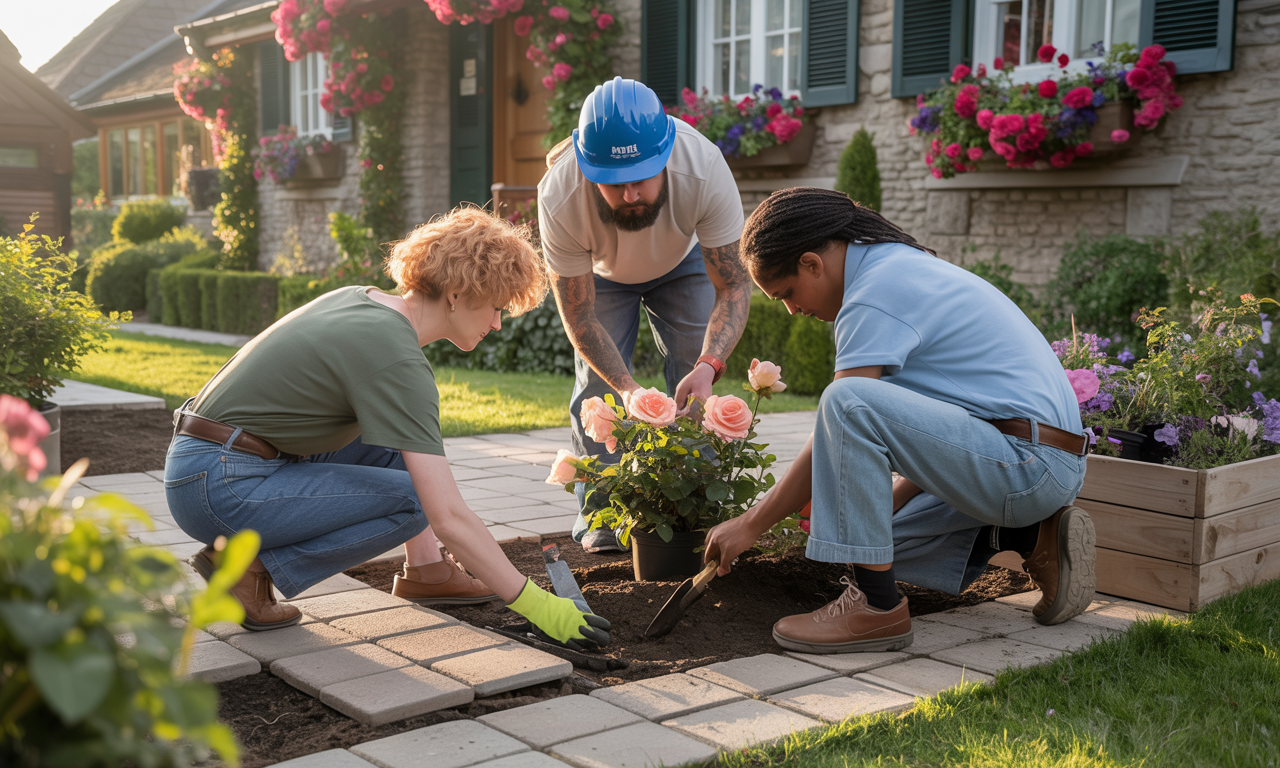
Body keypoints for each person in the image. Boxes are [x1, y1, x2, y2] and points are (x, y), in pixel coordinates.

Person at [163, 206, 611, 651]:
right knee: (416, 499)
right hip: (220, 487)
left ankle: (428, 571)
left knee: (401, 451)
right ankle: (247, 567)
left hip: (206, 463)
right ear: (455, 293)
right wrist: (537, 606)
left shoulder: (362, 300)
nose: (496, 323)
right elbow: (448, 516)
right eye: (494, 307)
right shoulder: (396, 360)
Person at [703, 187, 1095, 654]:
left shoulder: (874, 294)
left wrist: (750, 523)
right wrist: (878, 508)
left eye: (786, 293)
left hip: (1027, 464)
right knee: (874, 543)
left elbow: (845, 417)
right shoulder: (892, 264)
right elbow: (946, 426)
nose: (792, 310)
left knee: (845, 401)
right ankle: (1030, 534)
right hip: (1033, 460)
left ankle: (875, 607)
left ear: (812, 263)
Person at [538, 76, 752, 552]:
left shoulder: (703, 167)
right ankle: (601, 515)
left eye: (641, 177)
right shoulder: (560, 193)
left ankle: (694, 508)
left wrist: (707, 365)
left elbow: (734, 284)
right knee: (598, 391)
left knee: (693, 381)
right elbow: (578, 314)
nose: (630, 194)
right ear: (589, 168)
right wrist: (629, 390)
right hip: (602, 274)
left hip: (685, 263)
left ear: (667, 154)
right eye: (615, 184)